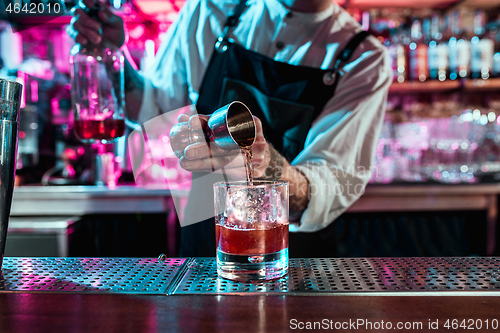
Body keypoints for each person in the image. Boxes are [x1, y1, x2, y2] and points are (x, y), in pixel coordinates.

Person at [68, 0, 392, 257]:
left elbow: (327, 185)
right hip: (203, 253)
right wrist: (112, 57)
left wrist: (262, 163)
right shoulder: (209, 9)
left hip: (294, 264)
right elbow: (157, 110)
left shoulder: (363, 58)